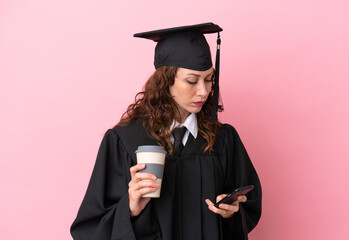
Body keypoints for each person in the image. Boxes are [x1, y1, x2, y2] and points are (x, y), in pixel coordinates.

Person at [70, 22, 261, 240]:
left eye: (209, 80)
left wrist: (231, 212)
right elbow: (90, 228)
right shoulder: (125, 140)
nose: (204, 91)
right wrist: (130, 207)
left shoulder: (223, 140)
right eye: (192, 81)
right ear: (166, 82)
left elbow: (248, 208)